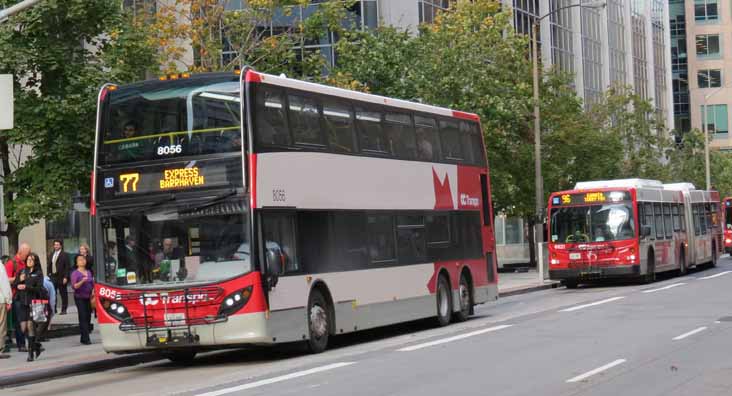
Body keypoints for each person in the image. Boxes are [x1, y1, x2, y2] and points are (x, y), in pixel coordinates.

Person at [13, 253, 45, 361]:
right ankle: (36, 345)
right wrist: (18, 281)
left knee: (31, 326)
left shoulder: (38, 273)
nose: (29, 261)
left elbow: (39, 288)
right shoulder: (22, 272)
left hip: (33, 303)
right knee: (23, 328)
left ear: (35, 261)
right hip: (23, 303)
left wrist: (27, 286)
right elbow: (15, 285)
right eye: (28, 259)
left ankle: (30, 353)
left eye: (32, 259)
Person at [6, 243, 30, 352]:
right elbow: (6, 280)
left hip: (27, 294)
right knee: (19, 320)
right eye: (27, 253)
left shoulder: (27, 263)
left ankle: (31, 342)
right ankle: (21, 344)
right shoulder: (11, 263)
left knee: (29, 319)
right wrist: (18, 278)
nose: (28, 255)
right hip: (17, 296)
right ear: (20, 253)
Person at [71, 255, 94, 345]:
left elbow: (92, 284)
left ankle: (83, 337)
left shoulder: (88, 272)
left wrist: (93, 291)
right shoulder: (75, 273)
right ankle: (86, 338)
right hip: (79, 297)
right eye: (80, 260)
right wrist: (82, 281)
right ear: (77, 263)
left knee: (88, 317)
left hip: (89, 297)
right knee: (83, 316)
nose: (82, 261)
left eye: (83, 259)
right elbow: (74, 286)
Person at [47, 240, 70, 315]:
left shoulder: (64, 255)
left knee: (63, 293)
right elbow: (49, 265)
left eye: (57, 245)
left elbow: (67, 267)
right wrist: (49, 274)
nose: (56, 246)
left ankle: (64, 309)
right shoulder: (51, 254)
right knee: (53, 293)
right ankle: (54, 308)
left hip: (61, 277)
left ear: (60, 246)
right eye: (55, 245)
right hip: (53, 276)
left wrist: (66, 277)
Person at [37, 274, 55, 342]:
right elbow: (52, 299)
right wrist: (52, 311)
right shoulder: (49, 283)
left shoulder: (38, 280)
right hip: (44, 302)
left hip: (34, 302)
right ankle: (40, 336)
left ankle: (37, 336)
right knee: (45, 320)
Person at [0, 257, 11, 359]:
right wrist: (8, 300)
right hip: (0, 300)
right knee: (1, 325)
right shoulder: (0, 267)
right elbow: (4, 284)